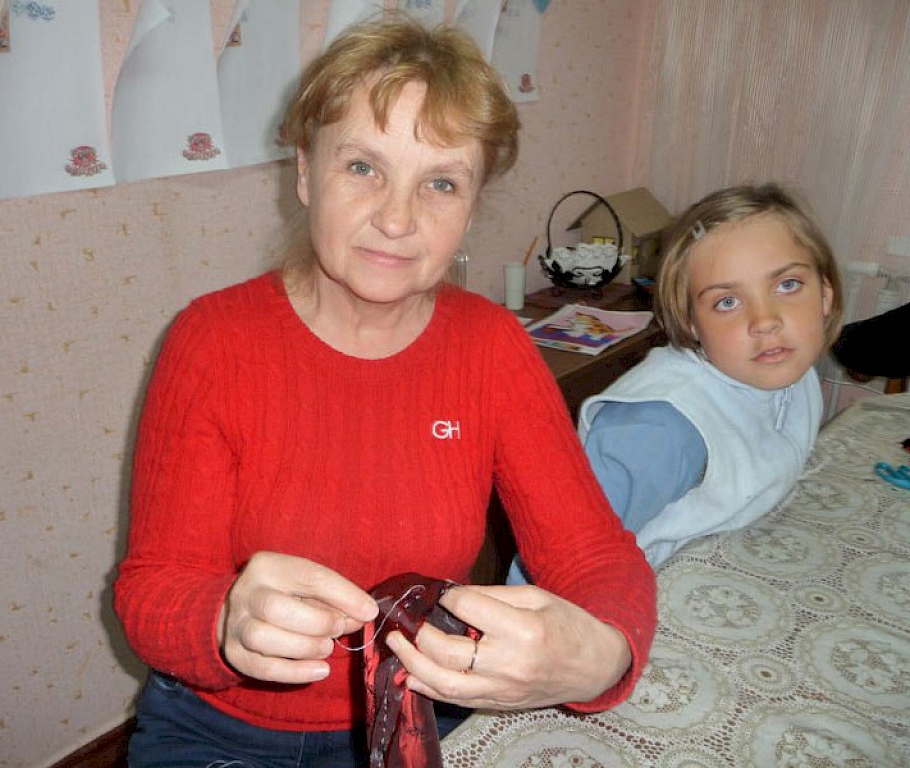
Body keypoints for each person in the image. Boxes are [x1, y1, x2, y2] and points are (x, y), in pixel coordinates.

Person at [114, 14, 656, 767]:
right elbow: (153, 588)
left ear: (471, 206)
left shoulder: (492, 348)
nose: (398, 219)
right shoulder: (212, 341)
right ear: (306, 173)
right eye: (363, 167)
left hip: (423, 713)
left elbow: (594, 556)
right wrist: (222, 620)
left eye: (440, 183)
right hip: (221, 730)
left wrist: (601, 655)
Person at [509, 182, 843, 580]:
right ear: (691, 322)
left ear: (825, 294)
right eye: (727, 302)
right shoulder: (661, 430)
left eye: (787, 285)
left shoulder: (787, 366)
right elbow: (550, 558)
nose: (766, 321)